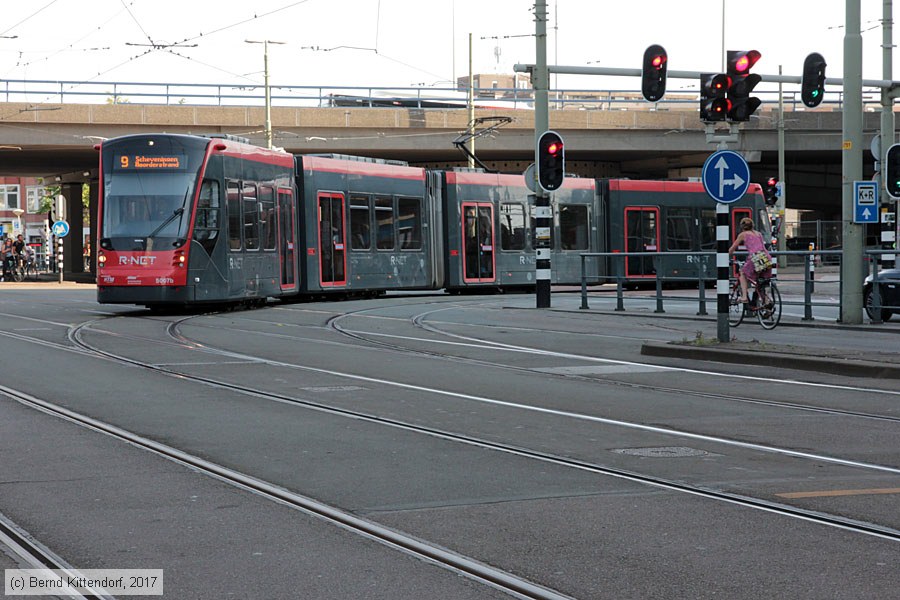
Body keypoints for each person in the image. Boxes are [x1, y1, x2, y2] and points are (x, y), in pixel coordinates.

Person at [728, 217, 773, 304]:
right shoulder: (758, 234)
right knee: (762, 280)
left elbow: (732, 248)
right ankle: (767, 302)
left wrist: (725, 256)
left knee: (742, 273)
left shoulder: (743, 234)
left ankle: (744, 297)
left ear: (742, 226)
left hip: (755, 257)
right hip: (766, 257)